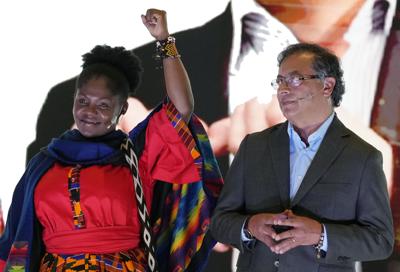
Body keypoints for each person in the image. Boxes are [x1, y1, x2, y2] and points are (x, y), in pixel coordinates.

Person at [0, 8, 222, 272]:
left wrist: (165, 41)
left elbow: (181, 109)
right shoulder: (44, 163)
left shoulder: (137, 154)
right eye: (83, 101)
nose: (89, 112)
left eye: (103, 105)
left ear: (122, 109)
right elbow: (18, 237)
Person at [209, 43, 394, 272]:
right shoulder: (253, 146)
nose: (283, 90)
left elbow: (380, 241)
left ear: (327, 86)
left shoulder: (362, 157)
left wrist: (320, 235)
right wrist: (249, 227)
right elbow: (219, 223)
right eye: (280, 81)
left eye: (295, 80)